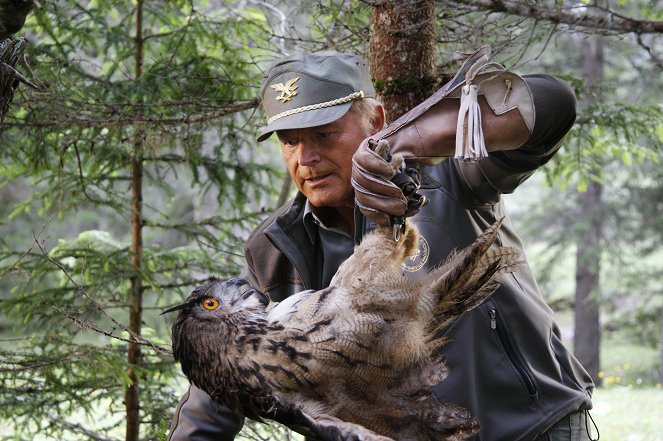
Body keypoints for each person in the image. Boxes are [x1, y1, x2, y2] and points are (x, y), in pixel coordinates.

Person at [168, 48, 596, 441]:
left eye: (323, 134)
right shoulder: (276, 247)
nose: (305, 158)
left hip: (533, 428)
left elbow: (553, 105)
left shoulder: (446, 179)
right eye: (290, 141)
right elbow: (221, 377)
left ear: (374, 120)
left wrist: (415, 142)